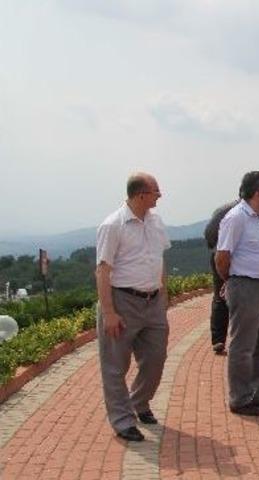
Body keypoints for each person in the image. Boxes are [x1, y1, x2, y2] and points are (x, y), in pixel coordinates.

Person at [95, 172, 171, 442]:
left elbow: (159, 259)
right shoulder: (113, 225)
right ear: (141, 195)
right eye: (155, 191)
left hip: (153, 301)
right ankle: (123, 420)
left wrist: (164, 294)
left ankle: (139, 402)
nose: (160, 195)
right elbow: (103, 271)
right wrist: (109, 312)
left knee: (156, 358)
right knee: (115, 365)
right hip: (122, 301)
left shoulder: (156, 221)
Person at [215, 171, 259, 416]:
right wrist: (232, 281)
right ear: (258, 193)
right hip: (246, 286)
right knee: (243, 346)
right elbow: (222, 257)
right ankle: (240, 399)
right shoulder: (236, 218)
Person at [204, 199, 239, 355]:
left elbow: (209, 234)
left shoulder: (222, 209)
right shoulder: (235, 211)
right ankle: (231, 339)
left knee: (220, 297)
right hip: (228, 257)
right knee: (227, 296)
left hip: (219, 254)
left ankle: (218, 339)